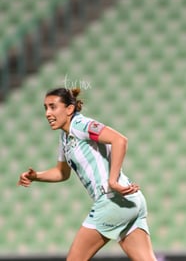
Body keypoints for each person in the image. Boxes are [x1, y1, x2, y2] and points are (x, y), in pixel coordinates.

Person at [18, 87, 157, 261]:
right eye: (45, 107)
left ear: (69, 109)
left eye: (53, 107)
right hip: (129, 201)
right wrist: (35, 176)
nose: (47, 113)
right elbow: (61, 173)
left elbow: (119, 140)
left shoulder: (80, 124)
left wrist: (112, 181)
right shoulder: (65, 136)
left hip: (111, 199)